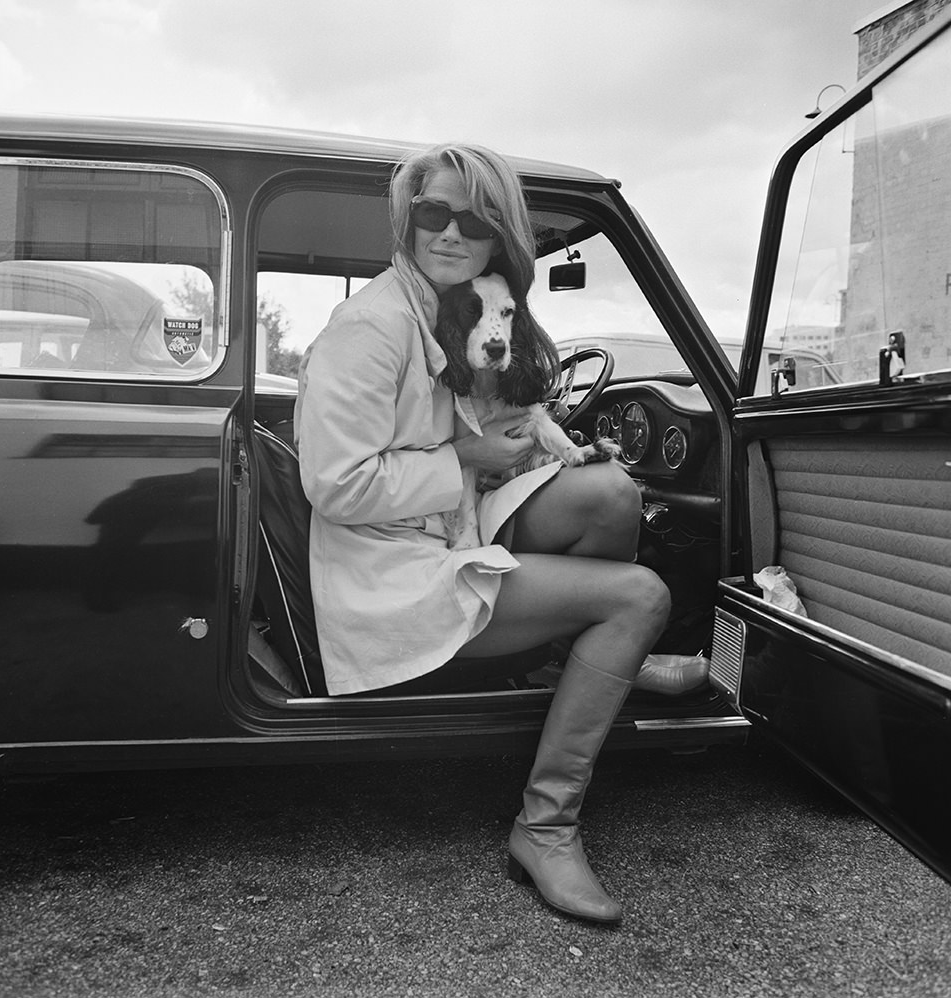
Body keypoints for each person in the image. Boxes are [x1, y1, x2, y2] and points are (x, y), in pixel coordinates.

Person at [295, 142, 706, 924]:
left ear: (498, 239)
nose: (450, 233)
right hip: (392, 572)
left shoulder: (439, 312)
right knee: (639, 597)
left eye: (474, 221)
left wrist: (542, 449)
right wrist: (468, 457)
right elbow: (337, 484)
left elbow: (477, 425)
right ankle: (545, 828)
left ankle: (579, 664)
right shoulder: (373, 325)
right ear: (407, 220)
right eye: (432, 214)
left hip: (439, 526)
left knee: (611, 495)